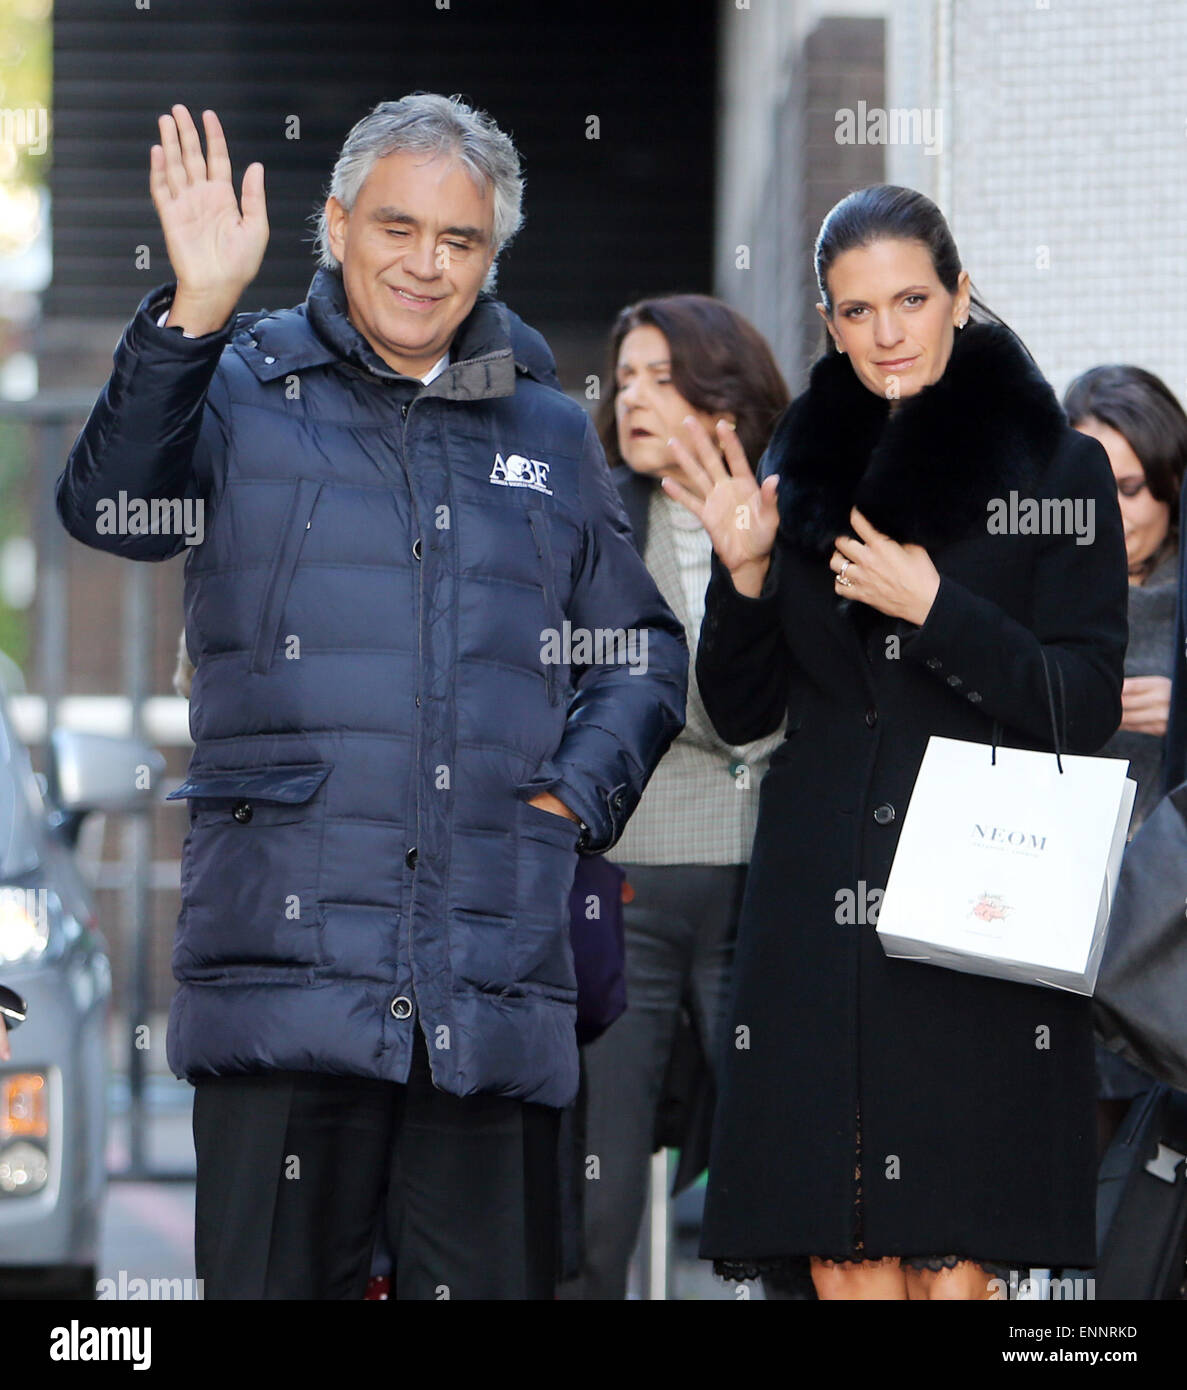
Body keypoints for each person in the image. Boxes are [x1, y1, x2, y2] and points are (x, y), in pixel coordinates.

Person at [56, 95, 687, 1300]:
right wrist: (192, 308)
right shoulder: (236, 384)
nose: (424, 263)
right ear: (335, 224)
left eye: (458, 241)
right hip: (284, 977)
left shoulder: (549, 430)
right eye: (397, 227)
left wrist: (568, 802)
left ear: (490, 255)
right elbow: (106, 509)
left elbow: (638, 649)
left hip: (489, 979)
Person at [662, 184, 1128, 1300]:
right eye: (856, 309)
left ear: (958, 296)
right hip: (817, 899)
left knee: (951, 1255)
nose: (885, 332)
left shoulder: (1055, 470)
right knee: (840, 1250)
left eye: (910, 298)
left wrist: (937, 609)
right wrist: (738, 581)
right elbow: (739, 713)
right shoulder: (793, 472)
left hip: (974, 896)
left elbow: (1083, 701)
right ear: (826, 320)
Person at [555, 295, 789, 1299]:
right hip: (628, 880)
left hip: (771, 886)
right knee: (599, 1189)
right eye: (626, 378)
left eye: (662, 376)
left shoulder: (799, 517)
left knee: (779, 1168)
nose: (633, 398)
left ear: (724, 403)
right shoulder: (590, 523)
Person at [1063, 365, 1187, 1151]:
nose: (1111, 512)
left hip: (1168, 931)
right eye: (1090, 485)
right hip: (1061, 923)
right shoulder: (1036, 602)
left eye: (1133, 486)